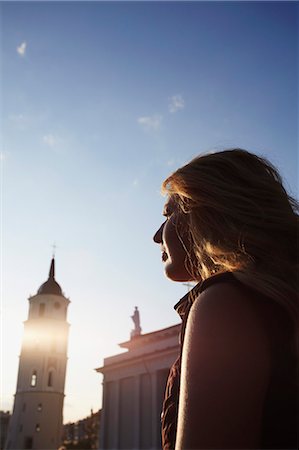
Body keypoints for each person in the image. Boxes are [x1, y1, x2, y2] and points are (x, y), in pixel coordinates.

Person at [153, 149, 298, 450]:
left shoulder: (224, 305)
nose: (157, 236)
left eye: (169, 213)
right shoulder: (276, 300)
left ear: (207, 211)